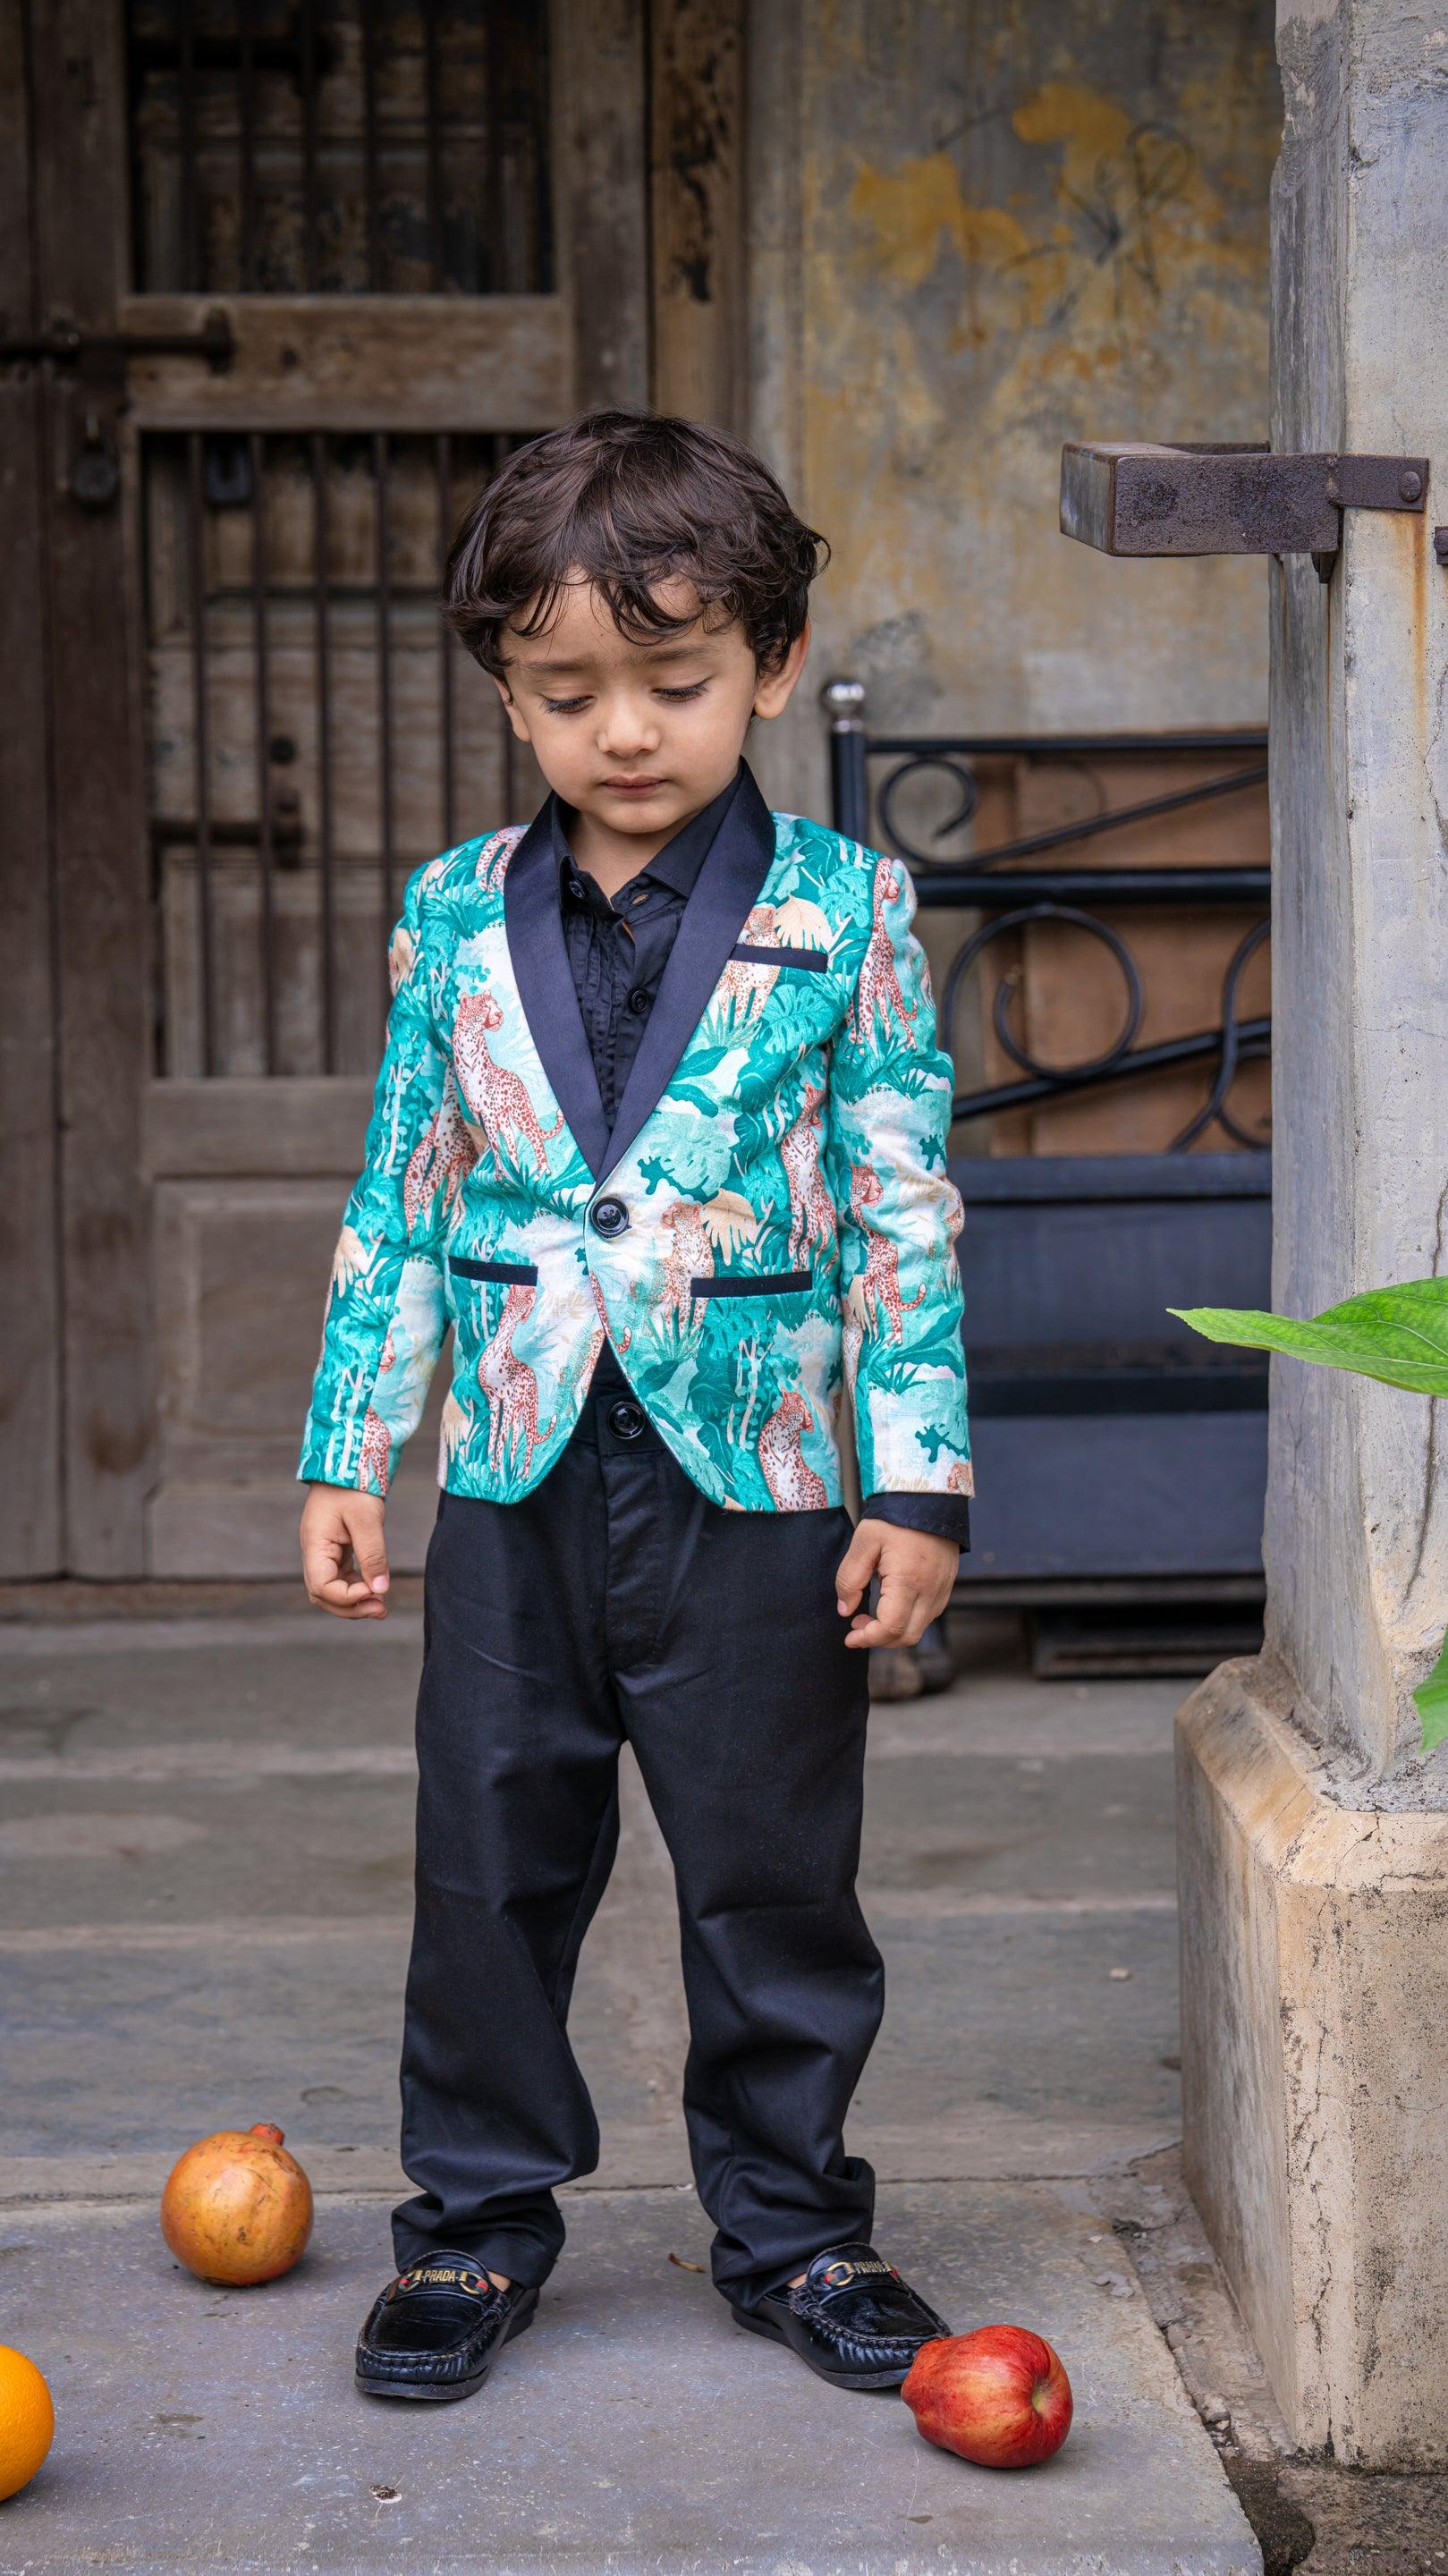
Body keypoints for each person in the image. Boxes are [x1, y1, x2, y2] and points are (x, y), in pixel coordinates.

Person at [298, 410, 972, 2404]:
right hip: (512, 1471)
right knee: (488, 1856)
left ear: (767, 663)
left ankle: (794, 2229)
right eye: (566, 691)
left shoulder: (849, 914)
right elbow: (400, 1189)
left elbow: (902, 1205)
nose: (623, 733)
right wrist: (351, 1446)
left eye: (674, 684)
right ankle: (477, 2228)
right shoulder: (446, 914)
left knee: (773, 1860)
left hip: (758, 1472)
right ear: (508, 686)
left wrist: (915, 1483)